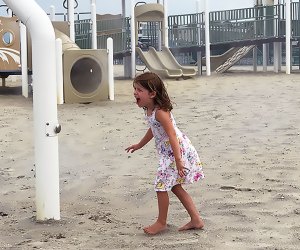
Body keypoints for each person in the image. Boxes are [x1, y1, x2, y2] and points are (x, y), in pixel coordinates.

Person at [125, 72, 205, 235]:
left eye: (139, 90)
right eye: (135, 89)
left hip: (175, 152)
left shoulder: (160, 112)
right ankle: (196, 219)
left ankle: (161, 222)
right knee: (175, 186)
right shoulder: (150, 110)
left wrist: (178, 160)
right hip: (169, 153)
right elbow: (154, 129)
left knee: (161, 186)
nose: (135, 93)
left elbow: (172, 135)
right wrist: (140, 144)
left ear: (153, 93)